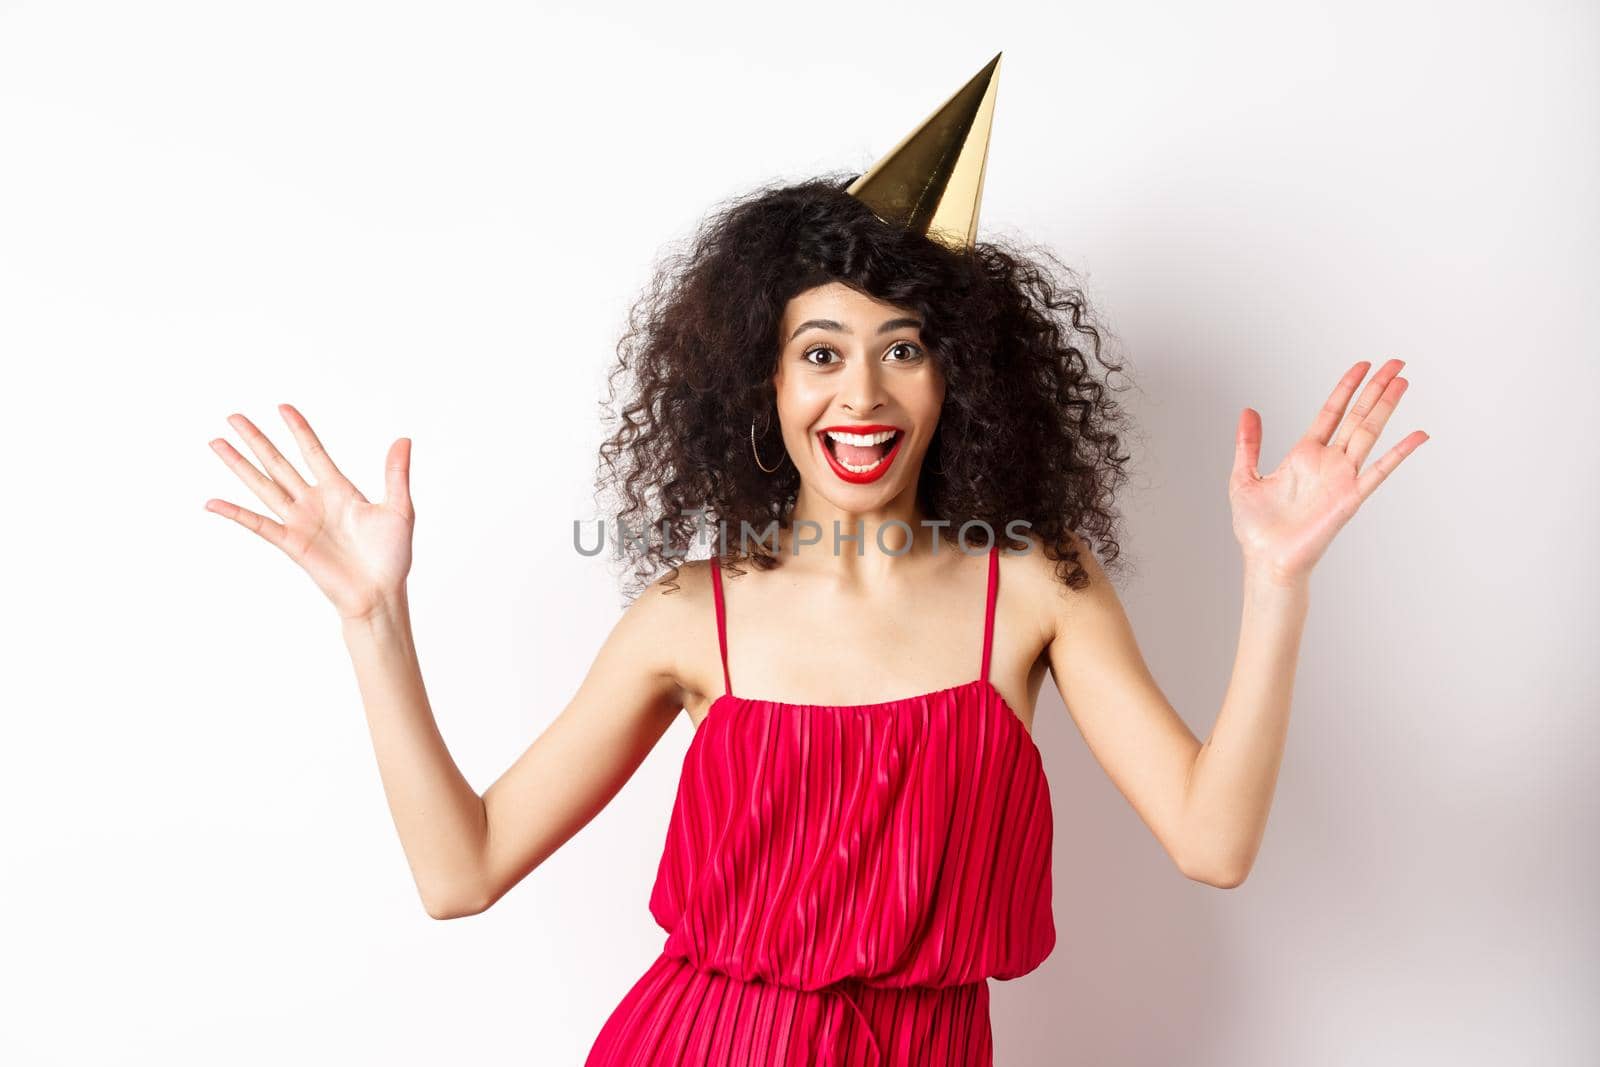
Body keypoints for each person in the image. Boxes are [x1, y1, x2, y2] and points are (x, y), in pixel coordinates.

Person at [202, 54, 1426, 1067]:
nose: (863, 393)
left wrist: (1276, 582)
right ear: (767, 381)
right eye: (822, 352)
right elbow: (458, 870)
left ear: (961, 377)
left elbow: (1212, 844)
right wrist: (373, 615)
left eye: (904, 349)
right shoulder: (691, 616)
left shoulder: (1037, 590)